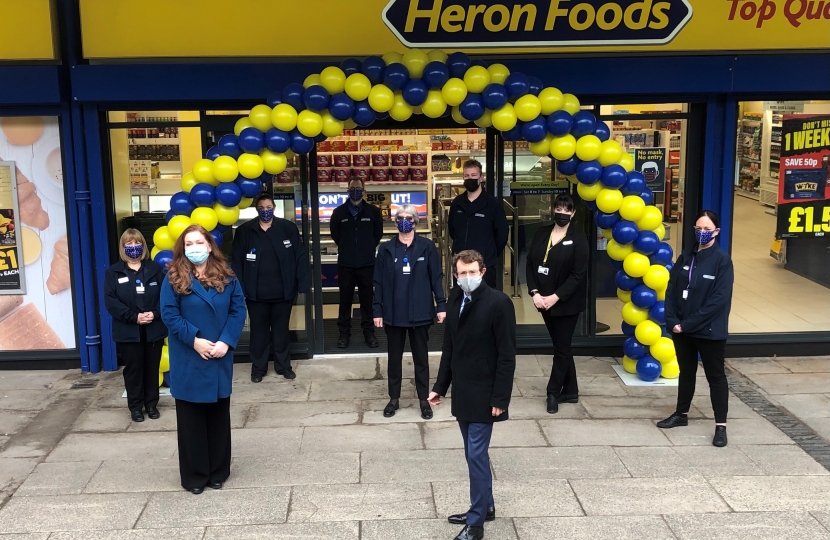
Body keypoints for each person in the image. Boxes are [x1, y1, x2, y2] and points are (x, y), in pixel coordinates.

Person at [428, 250, 516, 540]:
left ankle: (476, 523)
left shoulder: (499, 303)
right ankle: (486, 505)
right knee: (473, 454)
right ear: (455, 275)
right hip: (464, 392)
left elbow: (507, 356)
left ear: (483, 271)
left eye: (472, 272)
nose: (467, 278)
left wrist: (500, 400)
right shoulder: (455, 299)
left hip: (486, 393)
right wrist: (440, 386)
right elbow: (450, 348)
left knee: (476, 454)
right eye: (462, 273)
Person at [161, 224, 247, 495]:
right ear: (182, 248)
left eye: (199, 242)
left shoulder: (228, 276)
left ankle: (218, 471)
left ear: (209, 246)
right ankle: (195, 475)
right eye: (189, 244)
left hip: (219, 355)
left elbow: (238, 310)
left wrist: (226, 341)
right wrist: (194, 340)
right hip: (189, 356)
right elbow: (169, 314)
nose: (195, 248)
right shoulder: (173, 277)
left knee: (218, 416)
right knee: (191, 419)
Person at [658, 210, 734, 447]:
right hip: (682, 329)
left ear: (716, 232)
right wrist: (671, 320)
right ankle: (681, 414)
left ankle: (720, 426)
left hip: (709, 331)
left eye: (707, 229)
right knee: (686, 372)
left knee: (716, 377)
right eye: (698, 228)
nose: (702, 233)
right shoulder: (686, 255)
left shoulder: (722, 260)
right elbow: (671, 289)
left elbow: (718, 300)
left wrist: (687, 324)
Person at [373, 204, 446, 420]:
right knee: (394, 359)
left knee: (421, 358)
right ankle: (393, 399)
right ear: (395, 222)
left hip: (421, 312)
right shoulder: (385, 249)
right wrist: (378, 310)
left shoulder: (427, 247)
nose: (405, 221)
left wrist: (441, 305)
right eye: (400, 218)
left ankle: (424, 400)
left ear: (415, 221)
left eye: (409, 218)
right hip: (394, 314)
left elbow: (436, 278)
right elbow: (378, 282)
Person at [231, 192, 308, 382]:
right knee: (259, 333)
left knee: (282, 331)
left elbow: (300, 257)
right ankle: (258, 369)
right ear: (256, 209)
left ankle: (284, 366)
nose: (266, 211)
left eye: (269, 207)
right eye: (262, 208)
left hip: (283, 291)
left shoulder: (287, 228)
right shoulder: (245, 231)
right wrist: (240, 289)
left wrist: (302, 284)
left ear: (274, 207)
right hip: (255, 294)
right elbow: (237, 262)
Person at [526, 194, 589, 414]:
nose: (561, 213)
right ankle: (570, 390)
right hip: (542, 301)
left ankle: (553, 392)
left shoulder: (579, 238)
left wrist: (556, 297)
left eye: (566, 209)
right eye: (558, 208)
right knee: (562, 346)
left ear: (573, 213)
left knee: (560, 349)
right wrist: (534, 292)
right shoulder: (543, 233)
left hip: (566, 303)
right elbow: (531, 263)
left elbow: (578, 274)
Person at [104, 229, 167, 423]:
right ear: (123, 247)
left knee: (151, 368)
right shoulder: (113, 272)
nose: (133, 248)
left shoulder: (155, 269)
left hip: (153, 329)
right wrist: (134, 317)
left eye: (137, 243)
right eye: (129, 244)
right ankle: (136, 407)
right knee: (133, 370)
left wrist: (154, 313)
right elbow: (111, 302)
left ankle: (152, 405)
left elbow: (165, 297)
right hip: (128, 331)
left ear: (143, 246)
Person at [329, 177, 383, 349]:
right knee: (345, 301)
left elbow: (378, 234)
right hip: (346, 265)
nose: (355, 191)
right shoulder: (338, 213)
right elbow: (335, 235)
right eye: (352, 188)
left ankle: (369, 333)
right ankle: (343, 334)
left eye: (358, 188)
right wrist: (349, 249)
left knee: (367, 301)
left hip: (367, 264)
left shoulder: (373, 212)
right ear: (347, 191)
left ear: (364, 191)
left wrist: (365, 249)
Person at [448, 159, 508, 289]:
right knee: (462, 305)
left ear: (481, 178)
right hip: (460, 266)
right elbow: (452, 231)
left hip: (484, 267)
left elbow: (502, 235)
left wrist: (488, 254)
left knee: (485, 306)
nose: (470, 179)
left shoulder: (493, 204)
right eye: (467, 176)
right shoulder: (457, 204)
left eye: (473, 175)